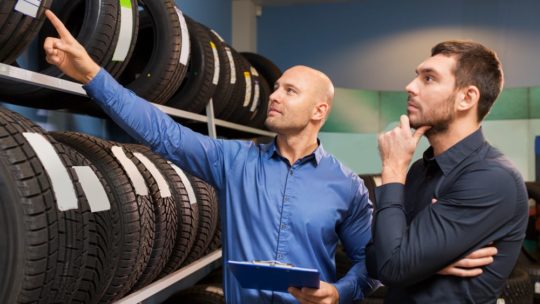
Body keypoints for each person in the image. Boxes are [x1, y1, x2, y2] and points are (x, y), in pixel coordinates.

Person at [42, 10, 378, 303]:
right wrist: (91, 75)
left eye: (290, 91)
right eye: (276, 88)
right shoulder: (235, 160)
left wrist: (338, 292)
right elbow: (164, 133)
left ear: (320, 110)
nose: (274, 96)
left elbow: (372, 263)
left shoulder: (346, 185)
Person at [367, 40, 528, 303]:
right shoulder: (420, 169)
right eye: (416, 75)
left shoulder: (492, 178)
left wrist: (393, 168)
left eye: (428, 78)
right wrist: (427, 262)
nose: (410, 86)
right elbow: (374, 259)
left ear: (467, 98)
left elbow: (392, 266)